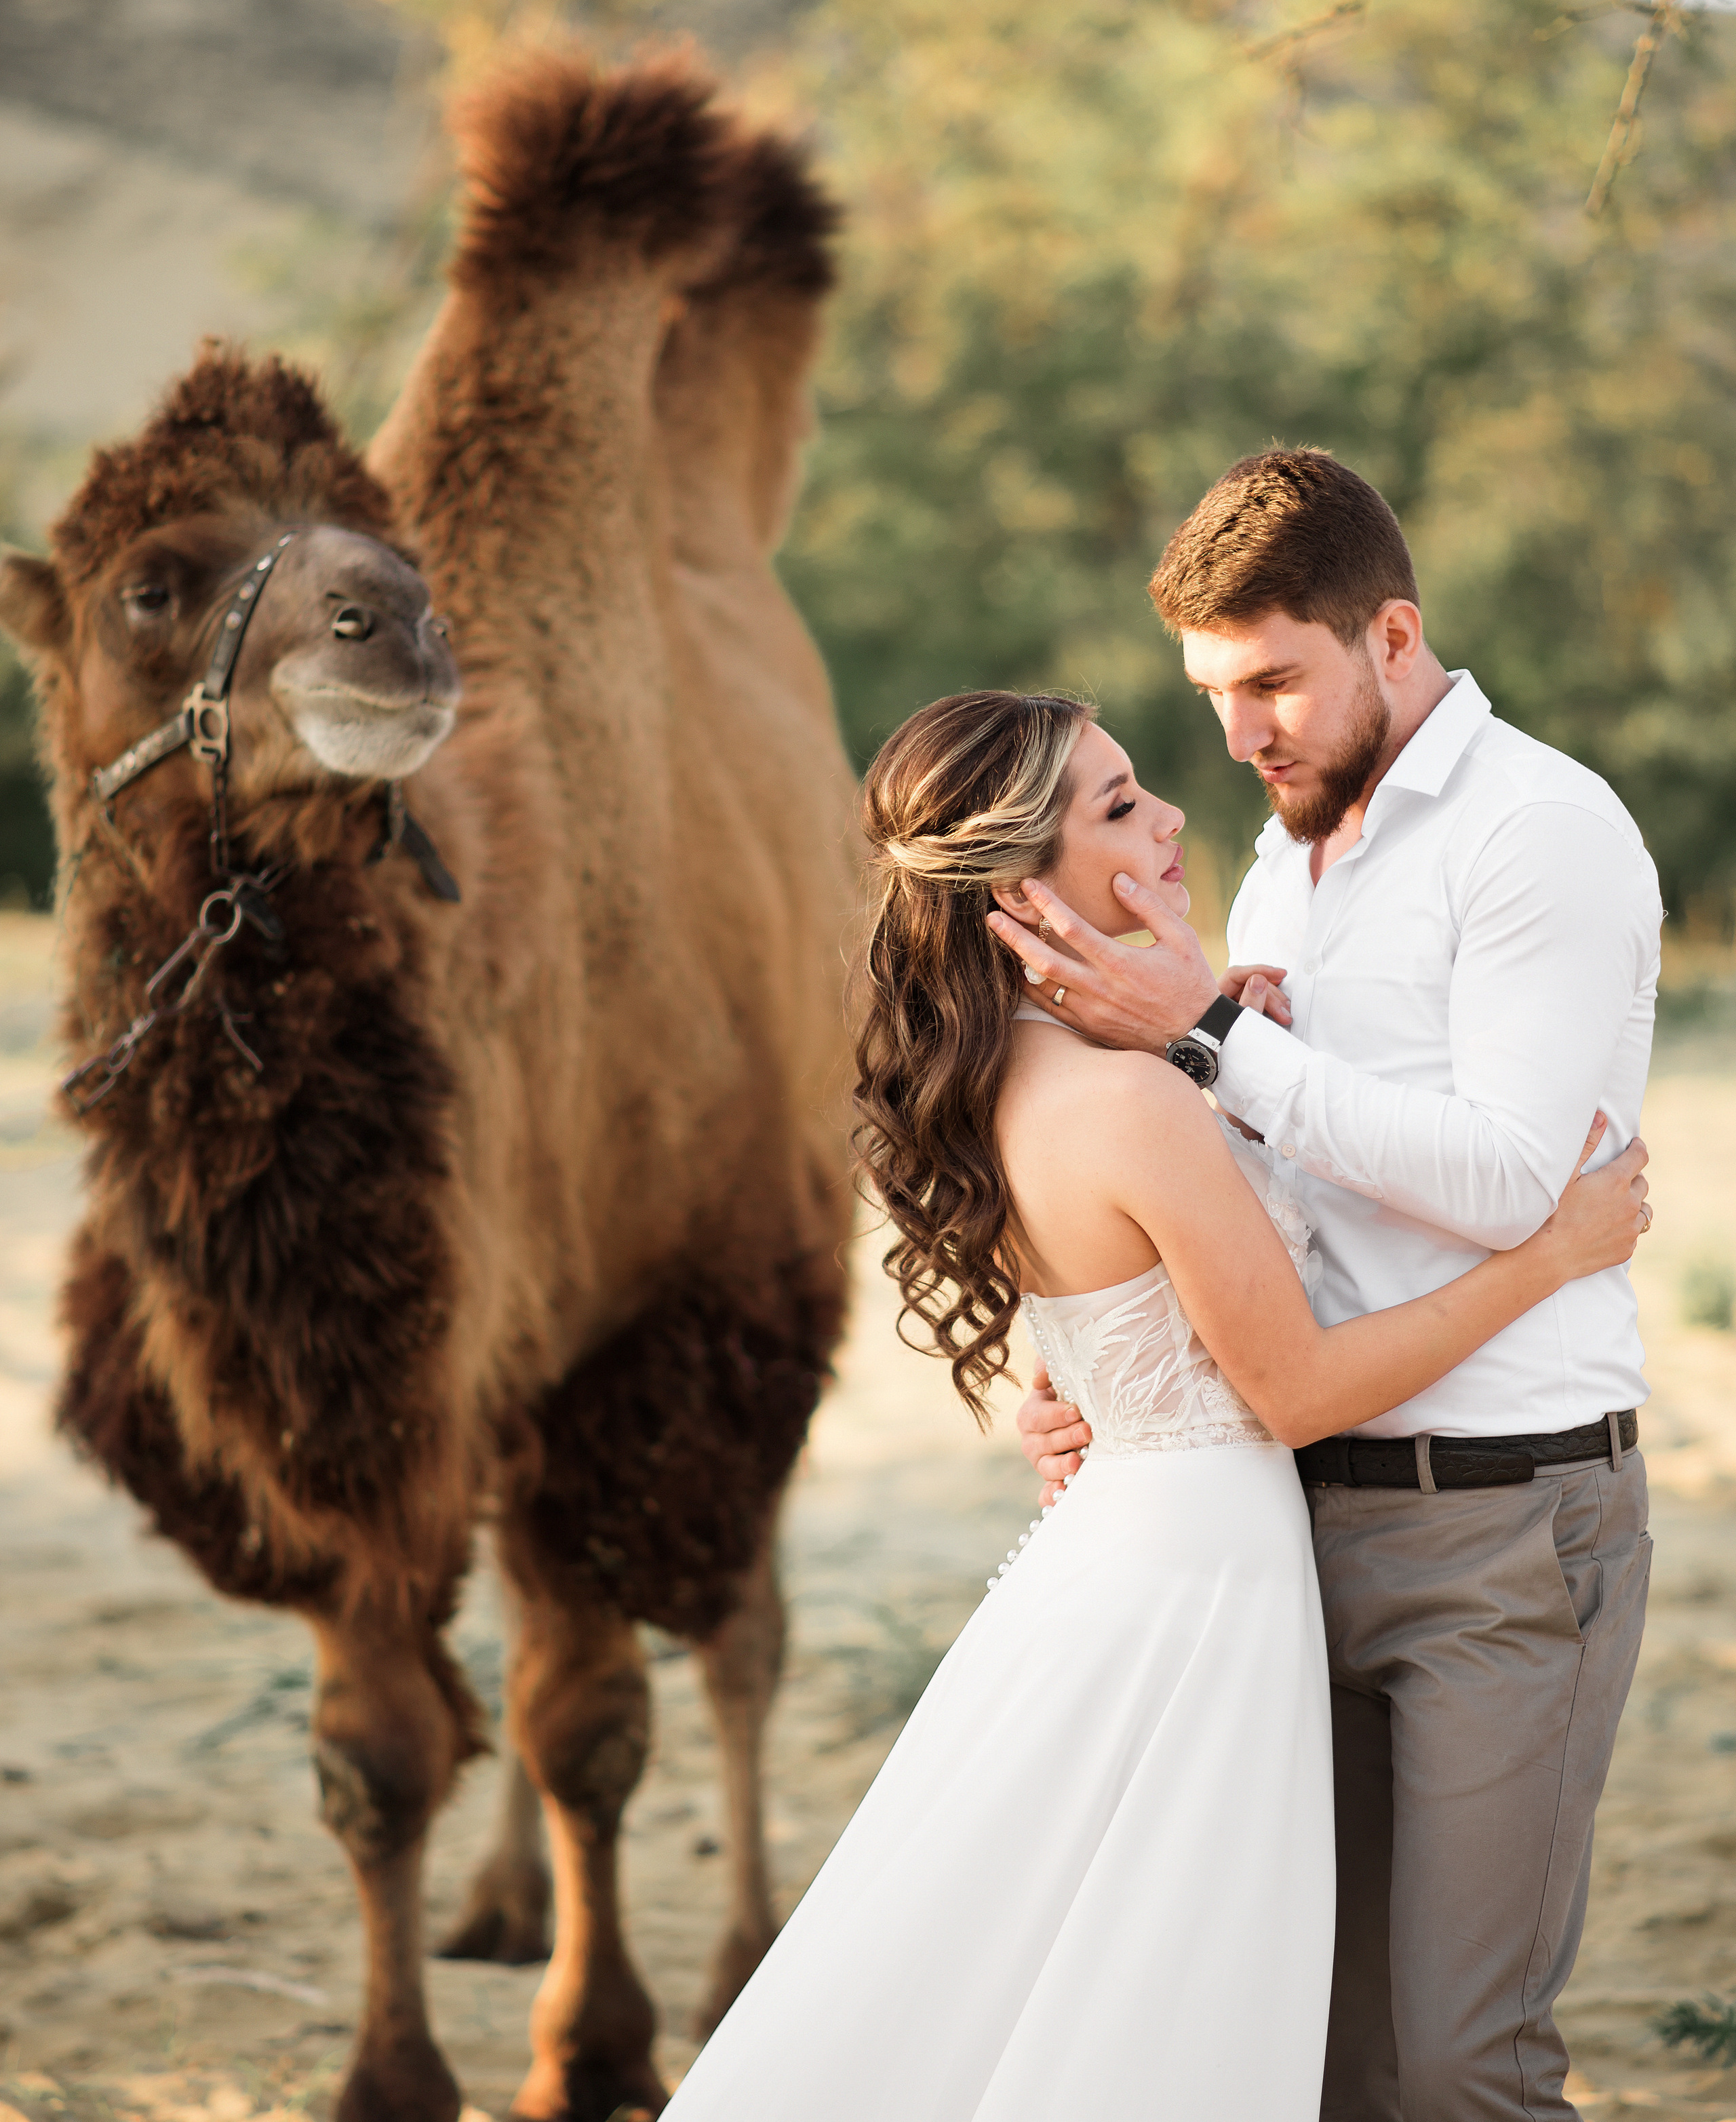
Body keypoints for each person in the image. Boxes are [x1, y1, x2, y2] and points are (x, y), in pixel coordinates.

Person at [663, 687, 1649, 2122]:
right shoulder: (1128, 1105)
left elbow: (1115, 1307)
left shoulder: (1019, 1067)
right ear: (1016, 883)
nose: (1174, 811)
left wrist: (1217, 1049)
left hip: (1134, 1542)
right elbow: (1296, 1388)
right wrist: (1548, 1253)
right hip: (1202, 1583)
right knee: (1165, 1994)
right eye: (1119, 805)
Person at [1000, 448, 1663, 2122]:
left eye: (1272, 682)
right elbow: (1276, 1180)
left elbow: (1510, 1178)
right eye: (1214, 696)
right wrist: (1093, 1364)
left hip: (1502, 1529)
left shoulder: (1538, 830)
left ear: (1390, 633)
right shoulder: (1292, 854)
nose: (1241, 736)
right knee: (1329, 2058)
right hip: (1288, 1516)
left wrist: (1215, 1037)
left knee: (1463, 2063)